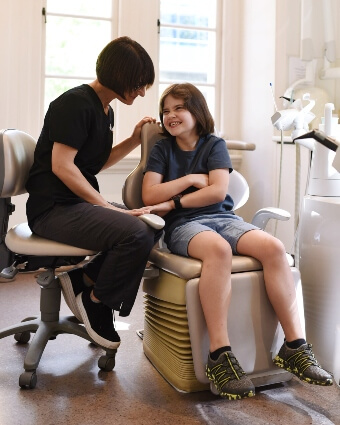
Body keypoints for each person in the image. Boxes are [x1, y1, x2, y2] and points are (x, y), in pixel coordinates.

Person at [142, 83, 333, 400]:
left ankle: (294, 346)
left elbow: (217, 192)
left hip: (222, 218)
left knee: (273, 248)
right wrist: (191, 181)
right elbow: (149, 195)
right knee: (217, 250)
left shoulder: (213, 145)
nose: (170, 115)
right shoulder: (162, 149)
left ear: (197, 111)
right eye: (165, 110)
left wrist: (174, 198)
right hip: (183, 225)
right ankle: (219, 354)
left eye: (179, 108)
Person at [25, 36, 161, 351]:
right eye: (139, 84)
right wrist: (106, 206)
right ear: (121, 75)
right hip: (53, 209)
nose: (141, 92)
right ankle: (96, 300)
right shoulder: (74, 103)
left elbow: (93, 165)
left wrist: (132, 139)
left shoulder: (105, 111)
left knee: (150, 225)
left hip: (72, 206)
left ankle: (83, 281)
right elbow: (62, 166)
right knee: (135, 233)